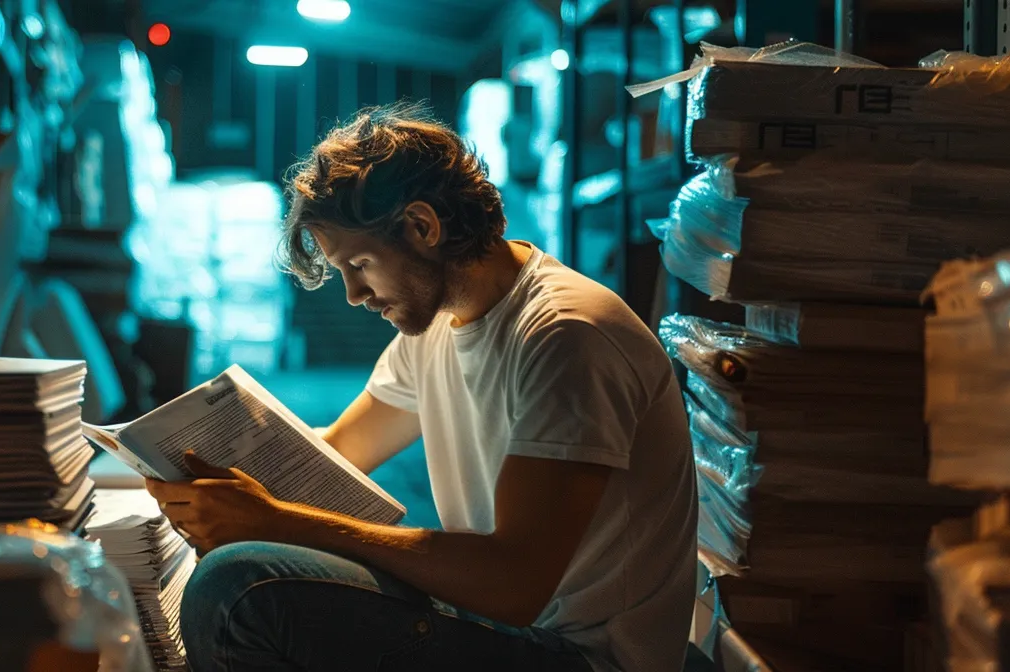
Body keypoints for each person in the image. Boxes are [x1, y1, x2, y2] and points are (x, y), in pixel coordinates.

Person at [144, 102, 698, 672]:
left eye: (359, 263)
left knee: (238, 592)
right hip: (506, 623)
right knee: (247, 559)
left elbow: (514, 583)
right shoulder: (434, 327)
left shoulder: (564, 334)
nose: (355, 295)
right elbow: (337, 455)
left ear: (422, 227)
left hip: (579, 654)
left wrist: (276, 521)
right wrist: (213, 479)